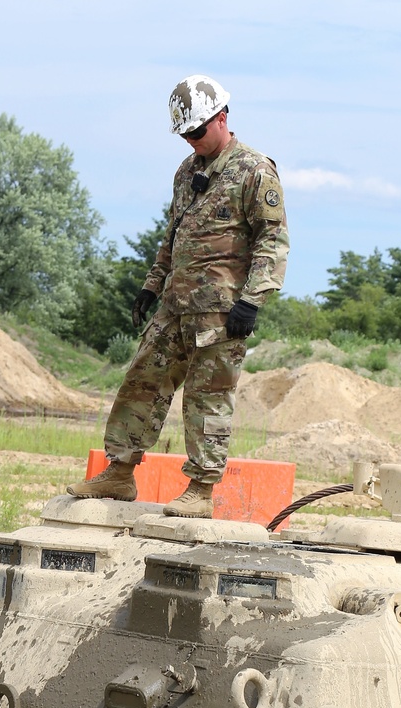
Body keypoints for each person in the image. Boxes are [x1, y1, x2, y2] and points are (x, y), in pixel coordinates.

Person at [71, 73, 289, 518]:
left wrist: (252, 300)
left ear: (222, 117)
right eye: (185, 134)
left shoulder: (254, 170)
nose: (191, 141)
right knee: (141, 382)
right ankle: (119, 472)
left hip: (222, 312)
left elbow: (273, 240)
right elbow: (174, 235)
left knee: (206, 397)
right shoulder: (187, 172)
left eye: (198, 131)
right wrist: (153, 284)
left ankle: (201, 488)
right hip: (176, 304)